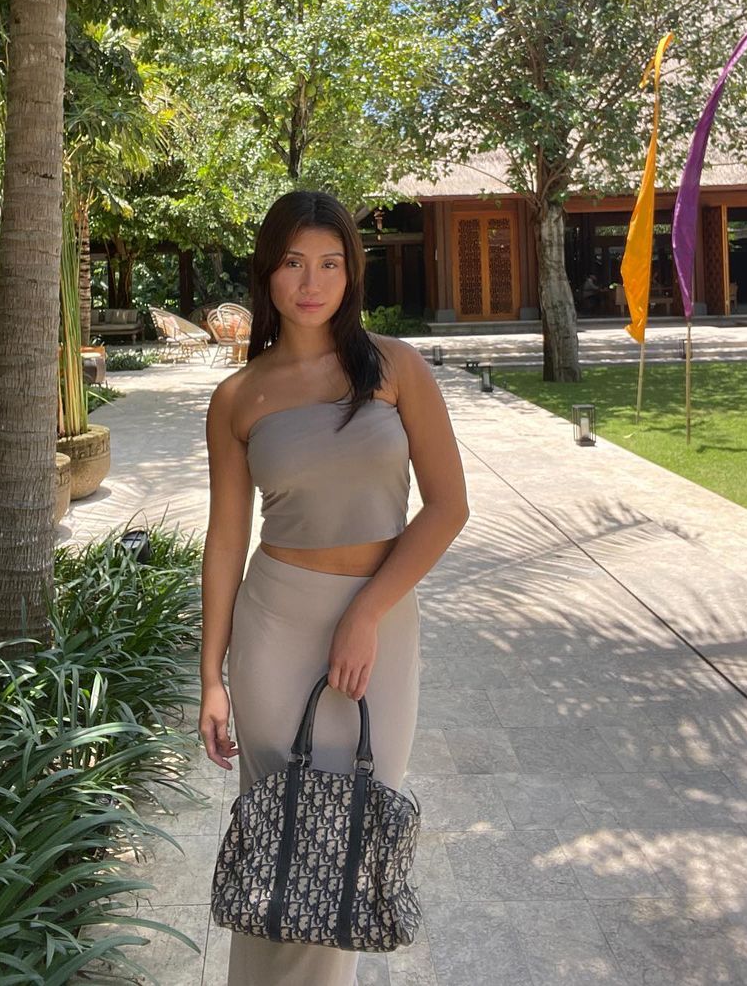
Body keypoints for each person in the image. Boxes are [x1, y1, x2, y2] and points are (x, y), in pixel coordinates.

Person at [199, 190, 470, 986]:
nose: (311, 283)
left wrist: (367, 612)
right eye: (293, 263)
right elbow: (226, 540)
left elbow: (448, 506)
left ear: (352, 272)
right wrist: (210, 676)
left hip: (379, 630)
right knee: (281, 837)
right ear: (267, 272)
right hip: (275, 628)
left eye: (330, 263)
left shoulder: (396, 367)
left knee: (352, 838)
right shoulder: (239, 397)